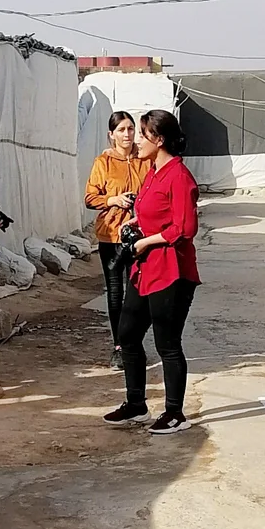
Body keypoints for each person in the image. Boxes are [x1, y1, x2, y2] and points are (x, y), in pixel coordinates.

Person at [104, 109, 200, 436]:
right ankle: (136, 404)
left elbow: (185, 228)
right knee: (128, 334)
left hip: (172, 270)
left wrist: (147, 242)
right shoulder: (152, 172)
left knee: (167, 344)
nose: (137, 140)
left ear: (159, 140)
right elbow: (151, 211)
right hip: (144, 271)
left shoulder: (179, 176)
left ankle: (175, 411)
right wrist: (136, 223)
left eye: (143, 135)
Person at [85, 109, 150, 365]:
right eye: (121, 130)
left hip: (141, 235)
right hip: (111, 235)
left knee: (138, 292)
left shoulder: (145, 158)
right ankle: (120, 346)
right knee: (115, 293)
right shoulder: (104, 162)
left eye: (131, 129)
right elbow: (90, 197)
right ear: (111, 135)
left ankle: (135, 342)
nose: (127, 134)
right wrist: (114, 199)